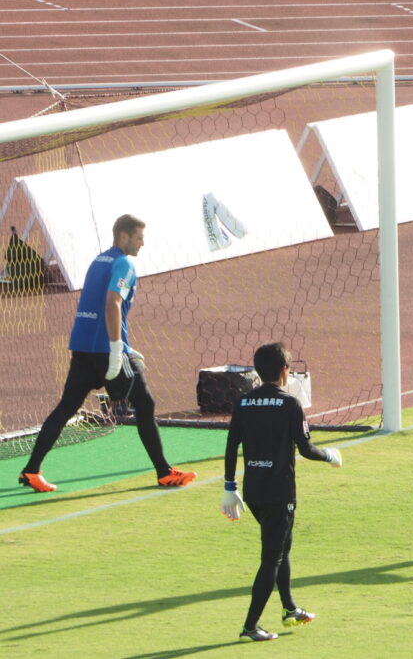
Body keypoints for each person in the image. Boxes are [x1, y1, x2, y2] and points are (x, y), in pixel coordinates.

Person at [18, 214, 196, 492]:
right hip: (106, 351)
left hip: (83, 346)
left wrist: (124, 344)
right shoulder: (125, 264)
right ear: (123, 236)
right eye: (139, 237)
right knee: (145, 404)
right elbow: (112, 304)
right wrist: (116, 350)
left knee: (66, 408)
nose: (143, 243)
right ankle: (164, 472)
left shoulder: (99, 260)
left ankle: (31, 470)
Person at [221, 341, 343, 643]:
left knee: (282, 546)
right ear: (285, 371)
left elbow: (231, 446)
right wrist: (329, 455)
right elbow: (306, 449)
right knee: (272, 556)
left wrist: (229, 487)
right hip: (279, 493)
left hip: (253, 491)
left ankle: (290, 608)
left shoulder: (244, 402)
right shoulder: (290, 404)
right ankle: (250, 626)